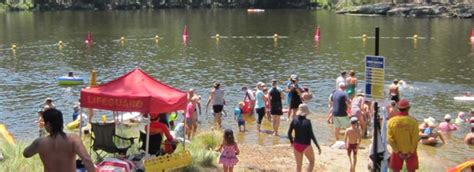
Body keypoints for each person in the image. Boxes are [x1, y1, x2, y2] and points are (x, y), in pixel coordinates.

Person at [23, 108, 95, 172]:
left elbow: (26, 154)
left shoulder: (40, 142)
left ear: (48, 124)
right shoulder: (73, 139)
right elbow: (86, 159)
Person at [387, 99, 419, 172]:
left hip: (397, 150)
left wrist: (397, 151)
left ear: (398, 108)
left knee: (395, 170)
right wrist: (411, 152)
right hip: (411, 151)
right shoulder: (414, 122)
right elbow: (415, 139)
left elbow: (389, 139)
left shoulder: (391, 121)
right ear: (408, 108)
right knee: (411, 170)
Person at [287, 104, 321, 172]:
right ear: (306, 113)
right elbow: (311, 135)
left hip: (296, 145)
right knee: (311, 162)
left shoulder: (294, 120)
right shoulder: (308, 122)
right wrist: (318, 146)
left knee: (298, 166)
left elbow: (289, 133)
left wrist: (292, 142)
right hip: (306, 146)